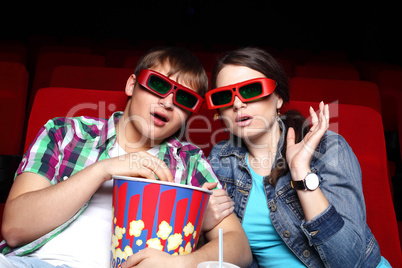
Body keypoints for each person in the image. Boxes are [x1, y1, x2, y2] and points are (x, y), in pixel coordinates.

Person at [0, 47, 252, 268]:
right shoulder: (66, 133)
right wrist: (103, 170)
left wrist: (181, 263)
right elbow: (14, 229)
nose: (167, 102)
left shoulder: (189, 162)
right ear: (132, 84)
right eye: (159, 85)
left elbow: (239, 248)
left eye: (184, 98)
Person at [205, 47, 391, 267]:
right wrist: (203, 221)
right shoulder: (221, 158)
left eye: (251, 90)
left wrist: (301, 173)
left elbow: (349, 261)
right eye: (224, 96)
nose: (237, 104)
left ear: (279, 98)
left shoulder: (328, 148)